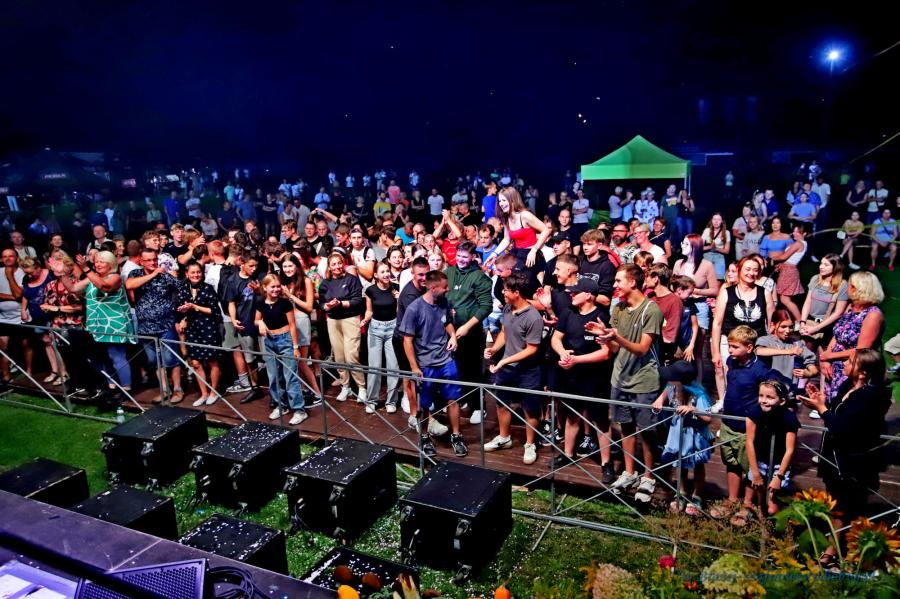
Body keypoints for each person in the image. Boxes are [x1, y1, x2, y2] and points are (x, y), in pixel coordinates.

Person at [799, 349, 891, 570]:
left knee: (852, 505)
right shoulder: (848, 386)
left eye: (850, 362)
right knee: (838, 505)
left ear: (863, 372)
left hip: (853, 461)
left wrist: (821, 410)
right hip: (835, 457)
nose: (845, 364)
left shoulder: (870, 397)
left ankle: (855, 554)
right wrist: (821, 402)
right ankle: (835, 549)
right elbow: (837, 413)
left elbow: (844, 428)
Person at [588, 264, 663, 503]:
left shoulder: (651, 310)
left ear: (632, 282)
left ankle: (648, 477)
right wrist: (605, 337)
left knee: (647, 431)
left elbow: (642, 349)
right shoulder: (618, 308)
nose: (615, 285)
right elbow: (614, 348)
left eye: (619, 281)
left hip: (644, 380)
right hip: (620, 378)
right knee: (626, 427)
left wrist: (616, 337)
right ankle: (630, 472)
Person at [708, 326, 787, 521]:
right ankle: (732, 500)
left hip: (747, 427)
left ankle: (748, 504)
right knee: (731, 462)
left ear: (749, 348)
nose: (730, 350)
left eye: (735, 347)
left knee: (751, 467)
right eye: (730, 346)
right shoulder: (731, 361)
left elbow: (775, 386)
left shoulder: (760, 370)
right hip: (728, 422)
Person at [549, 277, 614, 478]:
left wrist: (577, 360)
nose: (571, 294)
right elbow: (556, 338)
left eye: (576, 292)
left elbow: (606, 353)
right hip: (572, 375)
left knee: (601, 420)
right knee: (572, 415)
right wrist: (562, 353)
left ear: (588, 295)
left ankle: (606, 463)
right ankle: (568, 453)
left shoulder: (601, 316)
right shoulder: (568, 312)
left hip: (596, 376)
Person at [399, 270, 467, 458]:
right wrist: (414, 367)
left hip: (446, 360)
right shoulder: (414, 309)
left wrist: (453, 336)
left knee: (453, 398)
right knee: (424, 405)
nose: (448, 290)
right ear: (433, 288)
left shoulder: (444, 302)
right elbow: (407, 340)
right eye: (444, 287)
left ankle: (456, 436)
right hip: (426, 364)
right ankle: (424, 437)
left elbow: (447, 322)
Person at [483, 272, 544, 465]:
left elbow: (531, 349)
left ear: (517, 292)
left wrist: (504, 361)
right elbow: (504, 331)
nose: (502, 293)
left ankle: (530, 444)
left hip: (528, 370)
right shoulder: (508, 308)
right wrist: (494, 349)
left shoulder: (533, 317)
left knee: (530, 408)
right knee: (502, 402)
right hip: (507, 367)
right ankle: (504, 437)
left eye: (506, 290)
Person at [68, 250, 135, 399]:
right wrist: (61, 275)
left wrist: (86, 269)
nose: (98, 264)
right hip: (98, 324)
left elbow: (104, 287)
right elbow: (73, 288)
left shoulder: (115, 277)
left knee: (116, 356)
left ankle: (126, 389)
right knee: (103, 357)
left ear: (110, 264)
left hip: (114, 324)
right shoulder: (93, 277)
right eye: (96, 261)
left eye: (102, 262)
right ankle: (111, 386)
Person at [653, 360, 713, 515]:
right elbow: (667, 389)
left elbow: (709, 418)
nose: (668, 379)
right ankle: (681, 492)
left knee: (698, 464)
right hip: (678, 432)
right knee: (679, 463)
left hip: (695, 435)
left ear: (681, 381)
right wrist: (660, 399)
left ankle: (697, 495)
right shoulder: (672, 387)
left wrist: (694, 410)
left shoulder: (699, 395)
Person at [736, 379, 799, 526]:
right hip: (759, 459)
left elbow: (790, 449)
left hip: (779, 463)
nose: (763, 400)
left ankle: (776, 528)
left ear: (782, 401)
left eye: (770, 397)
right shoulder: (754, 412)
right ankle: (758, 515)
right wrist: (755, 472)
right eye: (761, 395)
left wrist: (779, 476)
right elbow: (749, 442)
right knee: (758, 491)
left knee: (772, 508)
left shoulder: (789, 417)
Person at [710, 256, 772, 402]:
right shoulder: (726, 292)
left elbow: (770, 325)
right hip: (730, 340)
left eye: (755, 270)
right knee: (725, 371)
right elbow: (717, 323)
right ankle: (723, 401)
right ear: (739, 270)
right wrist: (716, 352)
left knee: (752, 376)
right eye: (748, 269)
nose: (751, 273)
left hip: (755, 343)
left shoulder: (765, 293)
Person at [126, 248, 184, 403]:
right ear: (141, 261)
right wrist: (153, 274)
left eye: (154, 259)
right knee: (154, 361)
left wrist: (181, 316)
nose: (153, 262)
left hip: (166, 325)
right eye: (149, 260)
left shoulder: (165, 276)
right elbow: (129, 285)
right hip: (145, 327)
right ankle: (165, 390)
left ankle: (177, 390)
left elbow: (182, 289)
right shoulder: (135, 274)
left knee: (171, 359)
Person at [820, 271, 885, 404]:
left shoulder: (873, 315)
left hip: (852, 369)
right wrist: (826, 359)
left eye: (849, 285)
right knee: (830, 404)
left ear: (858, 289)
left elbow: (862, 349)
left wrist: (829, 356)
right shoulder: (851, 307)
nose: (846, 288)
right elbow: (838, 334)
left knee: (844, 405)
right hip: (834, 365)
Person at [254, 274, 308, 425]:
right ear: (265, 287)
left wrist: (295, 347)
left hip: (285, 340)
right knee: (273, 377)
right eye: (273, 287)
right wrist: (260, 323)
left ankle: (299, 410)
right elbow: (256, 320)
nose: (276, 289)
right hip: (269, 342)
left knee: (290, 377)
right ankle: (281, 406)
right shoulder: (260, 303)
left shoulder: (285, 303)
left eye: (278, 286)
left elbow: (292, 325)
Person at [319, 252, 366, 402]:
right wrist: (326, 306)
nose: (337, 266)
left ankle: (361, 387)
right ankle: (345, 386)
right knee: (339, 357)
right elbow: (321, 303)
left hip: (350, 319)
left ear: (343, 264)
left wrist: (341, 304)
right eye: (334, 264)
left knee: (352, 356)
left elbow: (358, 301)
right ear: (329, 267)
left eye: (339, 263)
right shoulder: (325, 283)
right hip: (333, 321)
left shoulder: (352, 279)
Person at [174, 262, 223, 407]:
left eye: (198, 272)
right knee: (195, 363)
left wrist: (195, 306)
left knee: (212, 361)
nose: (196, 275)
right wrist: (183, 317)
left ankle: (213, 392)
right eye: (193, 272)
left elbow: (214, 311)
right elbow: (181, 310)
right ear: (187, 274)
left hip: (208, 328)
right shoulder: (183, 289)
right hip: (192, 329)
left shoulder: (208, 288)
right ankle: (204, 393)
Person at [280, 255, 321, 406]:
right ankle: (305, 390)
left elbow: (309, 307)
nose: (287, 269)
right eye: (285, 266)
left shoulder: (306, 281)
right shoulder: (283, 282)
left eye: (290, 266)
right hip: (287, 322)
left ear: (297, 266)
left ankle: (317, 393)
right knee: (295, 362)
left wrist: (290, 295)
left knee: (301, 362)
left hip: (301, 322)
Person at [488, 187, 551, 285]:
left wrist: (534, 250)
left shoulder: (524, 215)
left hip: (530, 254)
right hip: (517, 253)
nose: (501, 204)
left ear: (513, 200)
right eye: (500, 201)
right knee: (500, 282)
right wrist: (494, 253)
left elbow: (546, 230)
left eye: (504, 200)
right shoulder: (506, 217)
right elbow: (506, 239)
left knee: (519, 283)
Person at [361, 261, 400, 414]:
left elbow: (399, 312)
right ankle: (371, 400)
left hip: (392, 328)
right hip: (375, 329)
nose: (386, 274)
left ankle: (391, 401)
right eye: (382, 272)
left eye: (387, 271)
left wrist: (398, 299)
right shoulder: (370, 290)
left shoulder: (395, 288)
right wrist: (365, 320)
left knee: (393, 367)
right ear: (376, 275)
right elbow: (369, 310)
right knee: (374, 367)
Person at [756, 310, 818, 393]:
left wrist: (809, 373)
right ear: (773, 325)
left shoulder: (797, 344)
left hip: (789, 393)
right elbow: (759, 351)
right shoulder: (765, 341)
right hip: (767, 392)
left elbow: (813, 368)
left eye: (791, 327)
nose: (788, 330)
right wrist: (789, 351)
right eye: (783, 327)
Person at [799, 254, 849, 349]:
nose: (821, 267)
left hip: (828, 325)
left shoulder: (842, 285)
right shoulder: (815, 279)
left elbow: (839, 313)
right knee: (805, 350)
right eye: (821, 263)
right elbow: (808, 302)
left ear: (836, 267)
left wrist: (816, 329)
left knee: (822, 353)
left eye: (826, 265)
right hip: (810, 321)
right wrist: (802, 322)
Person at [773, 224, 808, 321]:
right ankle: (790, 320)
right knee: (784, 299)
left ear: (804, 234)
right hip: (787, 269)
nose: (794, 233)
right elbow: (790, 258)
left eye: (797, 232)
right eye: (794, 231)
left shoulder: (798, 243)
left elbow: (783, 257)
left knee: (784, 299)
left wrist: (771, 257)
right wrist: (781, 265)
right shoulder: (802, 243)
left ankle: (800, 321)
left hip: (789, 271)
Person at [701, 213, 730, 279]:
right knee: (704, 277)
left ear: (722, 221)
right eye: (714, 219)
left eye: (718, 219)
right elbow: (700, 247)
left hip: (719, 256)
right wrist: (710, 247)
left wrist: (716, 248)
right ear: (711, 220)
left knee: (719, 277)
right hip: (707, 255)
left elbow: (727, 251)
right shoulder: (707, 231)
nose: (716, 221)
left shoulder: (726, 232)